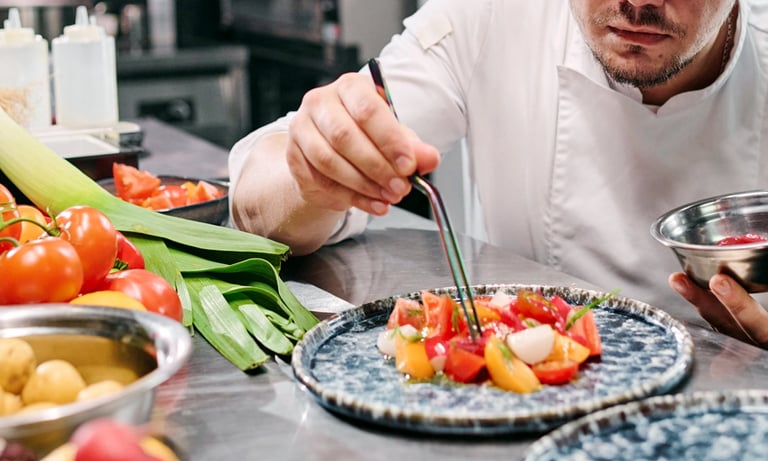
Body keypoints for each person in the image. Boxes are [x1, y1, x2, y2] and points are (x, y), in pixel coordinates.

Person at [229, 0, 768, 347]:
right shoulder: (494, 16)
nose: (638, 1)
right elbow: (257, 199)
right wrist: (315, 173)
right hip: (526, 400)